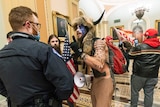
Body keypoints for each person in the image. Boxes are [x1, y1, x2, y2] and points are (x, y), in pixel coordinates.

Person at [0, 6, 74, 107]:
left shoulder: (2, 54)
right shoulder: (43, 50)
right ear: (28, 25)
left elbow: (1, 87)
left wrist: (17, 98)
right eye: (36, 25)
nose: (38, 28)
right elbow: (66, 84)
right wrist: (53, 99)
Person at [129, 28, 160, 107]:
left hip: (139, 75)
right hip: (153, 75)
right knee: (149, 94)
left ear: (147, 36)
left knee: (135, 92)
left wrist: (129, 46)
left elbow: (130, 55)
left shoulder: (141, 47)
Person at [48, 34, 75, 107]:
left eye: (56, 41)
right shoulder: (47, 56)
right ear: (49, 43)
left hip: (61, 84)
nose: (55, 43)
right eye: (53, 41)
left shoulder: (61, 56)